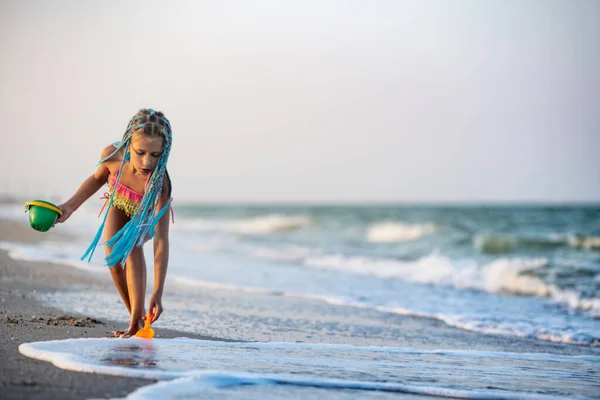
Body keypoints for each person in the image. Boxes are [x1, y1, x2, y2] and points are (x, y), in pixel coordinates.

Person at [56, 108, 173, 337]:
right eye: (140, 152)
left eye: (155, 154)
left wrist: (158, 292)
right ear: (128, 143)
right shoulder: (113, 155)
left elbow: (161, 240)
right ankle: (137, 320)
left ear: (164, 152)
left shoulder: (161, 184)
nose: (147, 161)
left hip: (145, 214)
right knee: (113, 260)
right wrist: (68, 207)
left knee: (131, 246)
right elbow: (97, 179)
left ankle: (133, 325)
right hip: (119, 201)